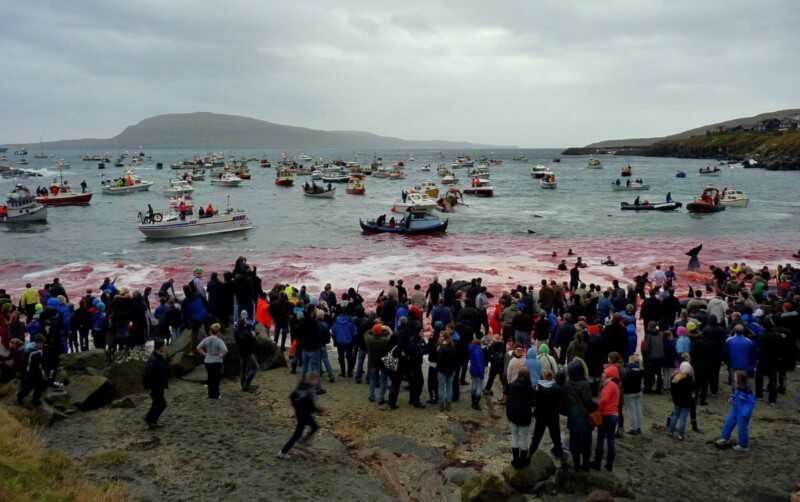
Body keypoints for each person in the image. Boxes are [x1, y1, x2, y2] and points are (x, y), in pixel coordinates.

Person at [277, 372, 323, 459]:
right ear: (312, 380)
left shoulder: (301, 386)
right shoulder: (309, 390)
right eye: (316, 380)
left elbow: (292, 396)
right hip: (305, 415)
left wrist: (296, 407)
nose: (317, 382)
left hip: (300, 414)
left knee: (300, 433)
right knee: (313, 428)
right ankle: (285, 450)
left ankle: (284, 451)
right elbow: (311, 405)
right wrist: (319, 411)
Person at [563, 358, 597, 471]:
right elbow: (588, 401)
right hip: (584, 417)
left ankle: (576, 464)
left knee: (574, 442)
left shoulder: (568, 384)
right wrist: (595, 406)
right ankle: (586, 464)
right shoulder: (585, 384)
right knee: (586, 442)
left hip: (573, 417)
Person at [529, 369, 565, 465]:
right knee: (556, 438)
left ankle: (530, 454)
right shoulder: (557, 388)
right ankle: (562, 458)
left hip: (541, 415)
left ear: (543, 377)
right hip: (553, 416)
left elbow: (534, 402)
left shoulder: (538, 388)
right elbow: (560, 402)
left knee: (536, 437)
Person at [716, 371, 756, 451]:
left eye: (735, 377)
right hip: (735, 409)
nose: (734, 378)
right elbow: (735, 396)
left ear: (739, 379)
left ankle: (743, 445)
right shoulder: (738, 388)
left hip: (742, 412)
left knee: (742, 428)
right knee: (728, 423)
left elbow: (751, 402)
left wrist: (745, 413)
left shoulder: (747, 391)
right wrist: (731, 399)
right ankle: (724, 438)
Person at [592, 364, 620, 471]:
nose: (604, 375)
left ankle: (597, 463)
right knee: (611, 439)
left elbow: (604, 400)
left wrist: (598, 409)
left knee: (600, 438)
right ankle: (609, 464)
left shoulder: (610, 385)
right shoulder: (616, 385)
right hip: (614, 415)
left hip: (607, 415)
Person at [507, 366, 535, 468]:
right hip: (525, 416)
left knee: (515, 436)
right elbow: (533, 403)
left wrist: (508, 414)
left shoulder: (512, 386)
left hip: (513, 415)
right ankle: (523, 461)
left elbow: (509, 401)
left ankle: (515, 460)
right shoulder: (530, 389)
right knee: (524, 438)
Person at [142, 339, 170, 428]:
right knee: (161, 404)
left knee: (157, 403)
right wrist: (148, 387)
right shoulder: (154, 359)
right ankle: (150, 419)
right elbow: (146, 374)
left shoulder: (159, 357)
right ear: (160, 347)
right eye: (164, 345)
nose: (166, 347)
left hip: (159, 384)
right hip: (155, 385)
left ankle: (153, 421)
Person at [196, 323, 228, 399]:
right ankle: (216, 394)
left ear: (210, 331)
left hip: (208, 361)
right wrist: (221, 356)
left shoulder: (206, 339)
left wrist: (204, 354)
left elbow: (198, 348)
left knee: (210, 378)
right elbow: (225, 350)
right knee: (216, 379)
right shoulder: (219, 341)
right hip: (217, 361)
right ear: (218, 332)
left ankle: (210, 394)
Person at [16, 334, 47, 407]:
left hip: (38, 371)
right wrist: (25, 373)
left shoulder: (40, 349)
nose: (42, 345)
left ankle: (36, 400)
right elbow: (23, 363)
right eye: (41, 343)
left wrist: (43, 368)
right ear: (37, 342)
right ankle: (19, 396)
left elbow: (42, 360)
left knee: (39, 387)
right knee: (27, 389)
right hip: (29, 373)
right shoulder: (29, 351)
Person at [668, 361, 694, 440]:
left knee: (675, 415)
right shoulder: (689, 379)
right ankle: (680, 435)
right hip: (686, 401)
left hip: (677, 400)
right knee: (683, 418)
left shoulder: (675, 378)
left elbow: (672, 390)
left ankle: (670, 431)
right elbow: (692, 391)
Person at [233, 310, 258, 392]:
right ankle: (247, 384)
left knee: (243, 369)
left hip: (240, 352)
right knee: (254, 367)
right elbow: (253, 342)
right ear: (244, 324)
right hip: (248, 352)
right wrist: (253, 335)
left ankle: (243, 385)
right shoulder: (247, 333)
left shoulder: (236, 332)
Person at [437, 330, 458, 412]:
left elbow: (439, 360)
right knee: (449, 387)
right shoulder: (453, 346)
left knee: (441, 388)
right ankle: (448, 405)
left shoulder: (442, 347)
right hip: (451, 370)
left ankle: (441, 405)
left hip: (442, 370)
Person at [623, 354, 644, 435]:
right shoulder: (640, 369)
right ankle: (639, 427)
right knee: (638, 409)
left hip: (629, 392)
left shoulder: (627, 369)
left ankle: (633, 428)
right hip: (638, 391)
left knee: (631, 411)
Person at [469, 337, 486, 410]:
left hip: (473, 370)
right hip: (478, 371)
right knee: (479, 387)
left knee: (474, 386)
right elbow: (480, 363)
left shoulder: (472, 349)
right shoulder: (478, 351)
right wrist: (482, 373)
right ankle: (476, 404)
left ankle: (473, 402)